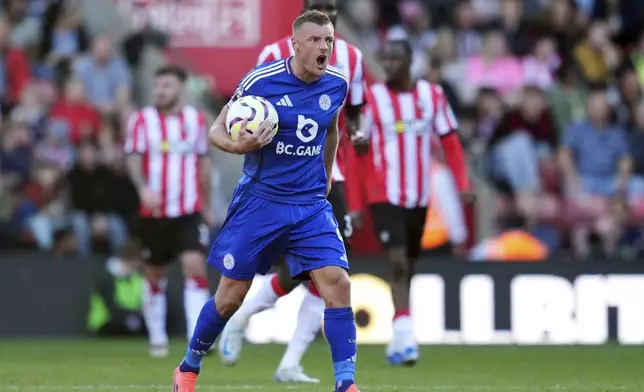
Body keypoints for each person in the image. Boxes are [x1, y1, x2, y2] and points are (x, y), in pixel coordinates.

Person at [172, 10, 359, 392]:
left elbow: (332, 133)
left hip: (309, 204)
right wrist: (237, 144)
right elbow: (216, 130)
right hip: (261, 202)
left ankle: (345, 384)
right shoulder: (262, 81)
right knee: (230, 297)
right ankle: (188, 368)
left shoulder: (337, 83)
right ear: (295, 45)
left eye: (329, 40)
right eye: (316, 40)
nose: (324, 47)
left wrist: (324, 178)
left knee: (336, 283)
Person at [360, 39, 470, 365]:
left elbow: (450, 142)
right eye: (385, 59)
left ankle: (398, 333)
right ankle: (407, 338)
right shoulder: (371, 99)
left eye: (396, 58)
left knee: (407, 264)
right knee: (396, 259)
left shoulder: (432, 96)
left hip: (419, 196)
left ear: (410, 62)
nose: (389, 64)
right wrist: (356, 200)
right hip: (384, 194)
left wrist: (462, 183)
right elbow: (357, 152)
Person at [124, 65, 212, 358]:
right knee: (155, 274)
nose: (161, 91)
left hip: (188, 210)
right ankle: (158, 338)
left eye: (167, 86)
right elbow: (133, 160)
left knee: (194, 266)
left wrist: (208, 205)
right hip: (155, 212)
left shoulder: (196, 121)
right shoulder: (141, 120)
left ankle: (196, 340)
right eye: (158, 85)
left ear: (181, 89)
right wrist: (142, 189)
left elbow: (204, 165)